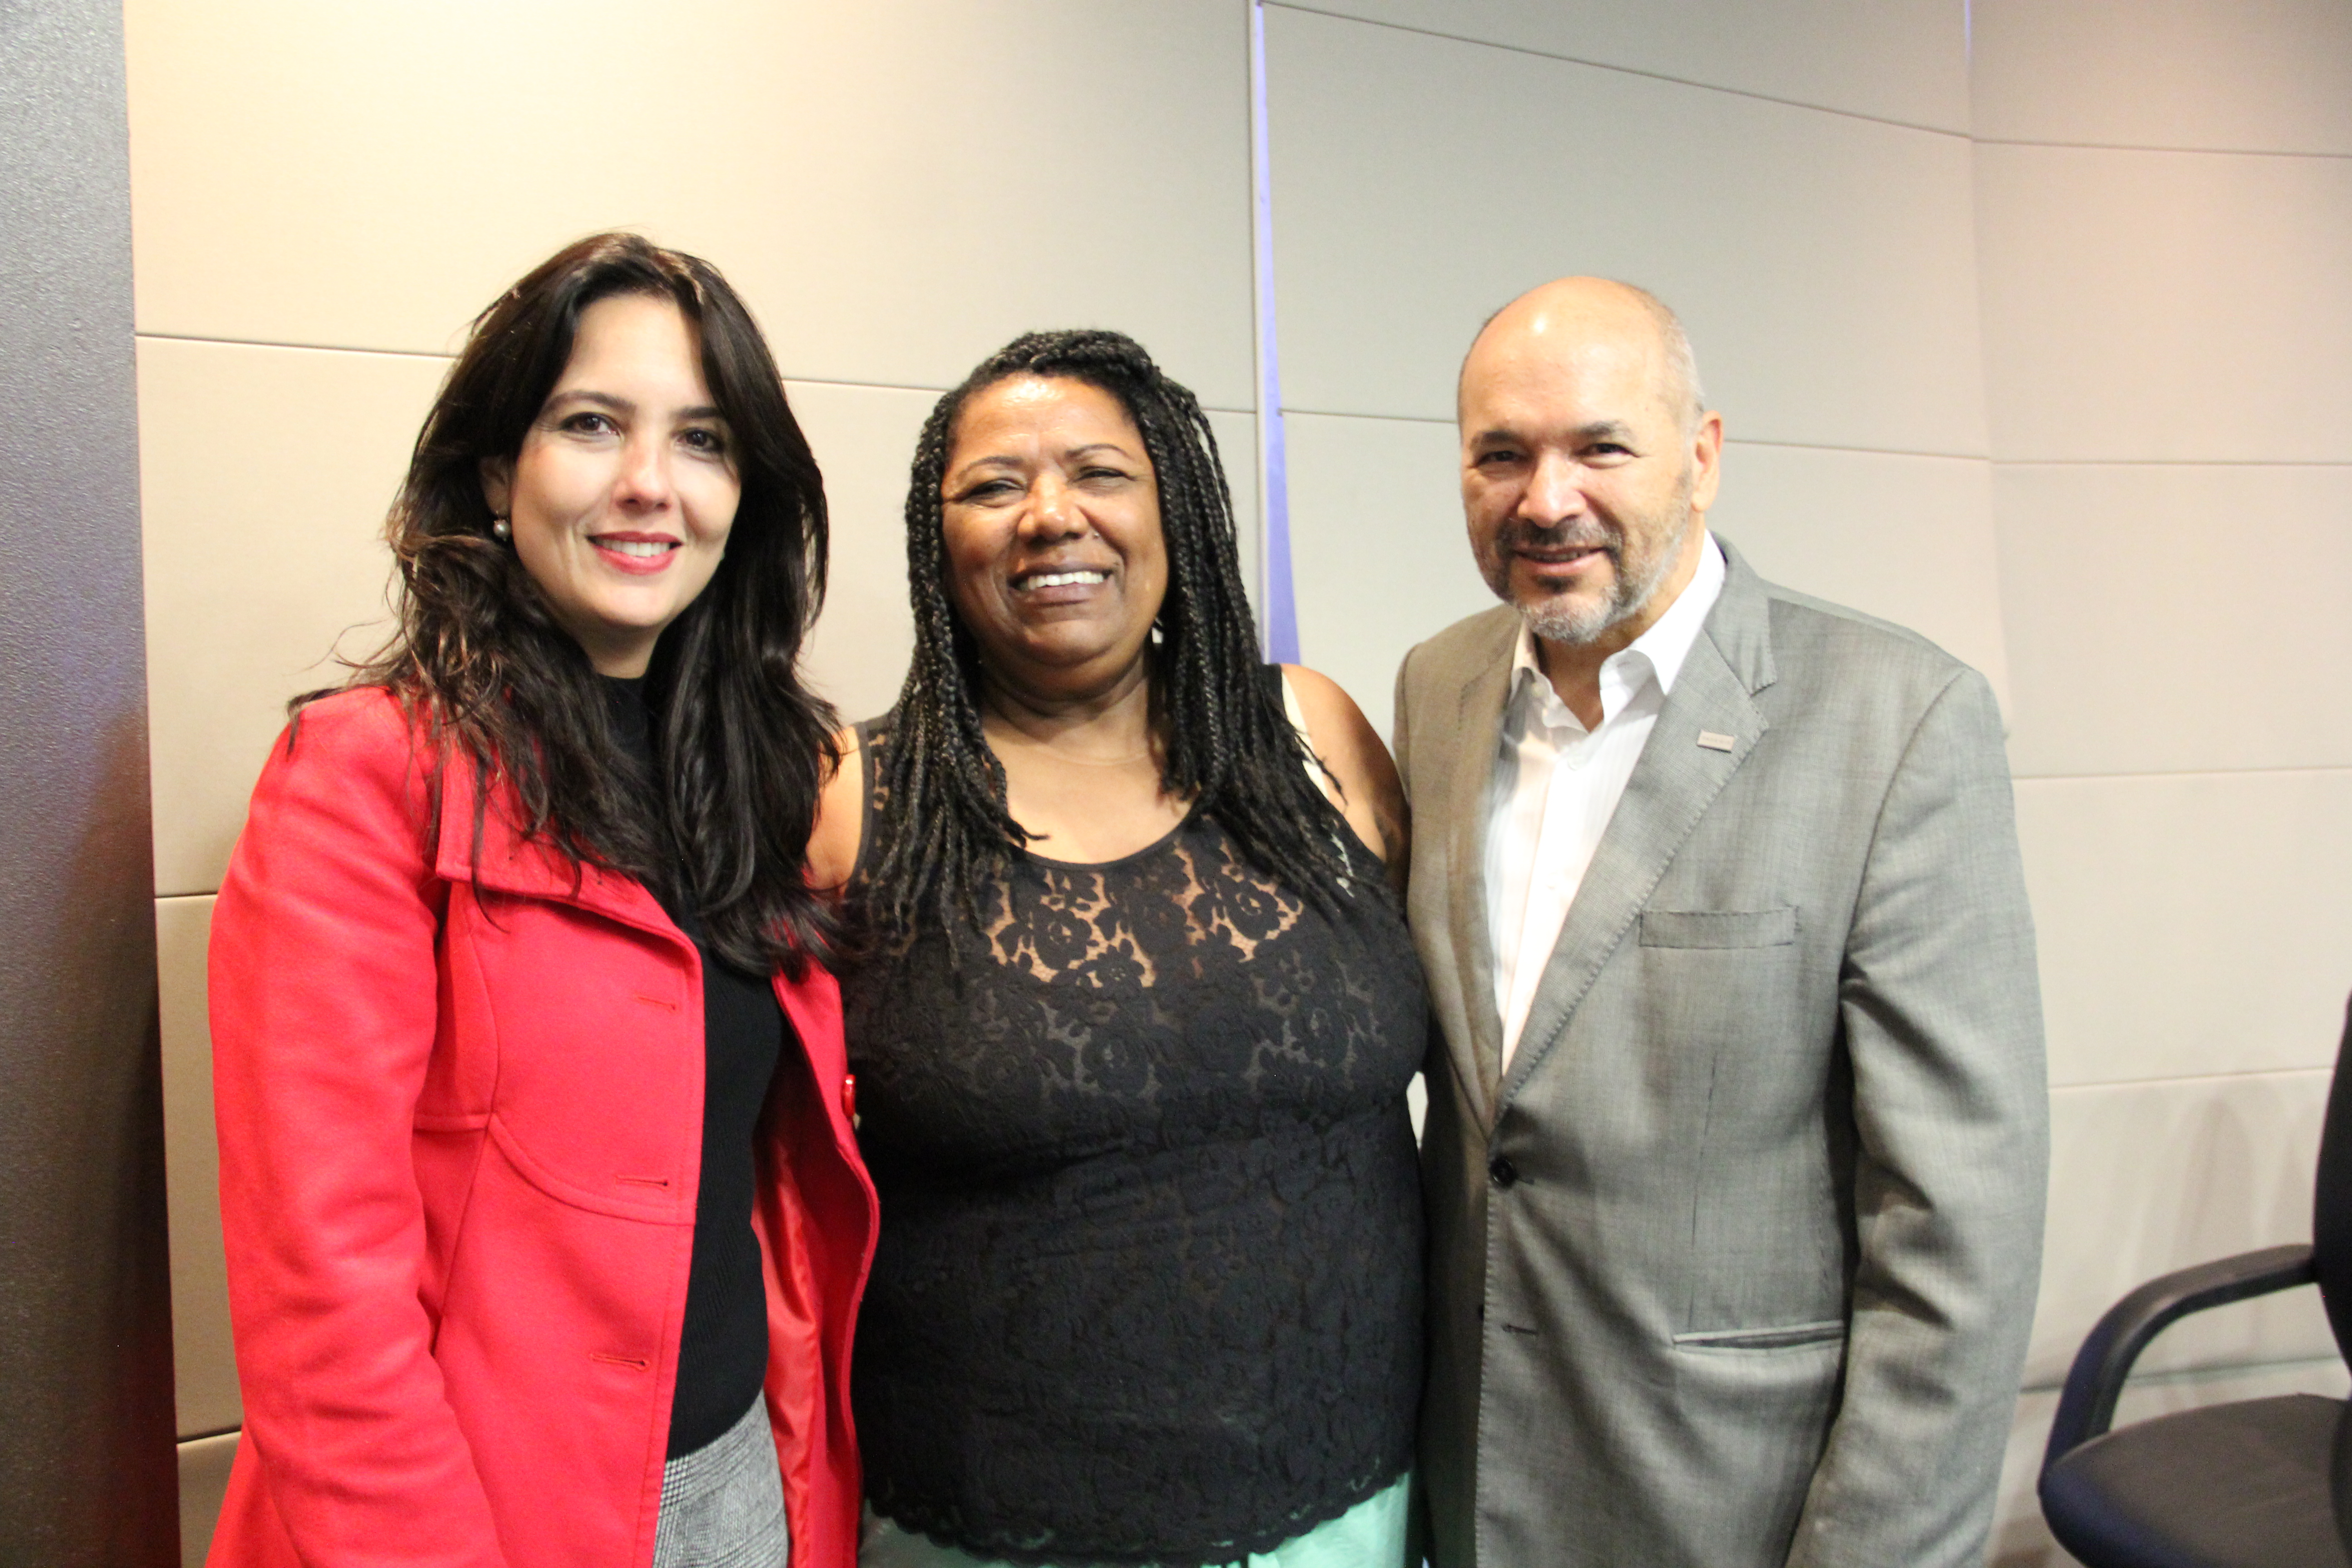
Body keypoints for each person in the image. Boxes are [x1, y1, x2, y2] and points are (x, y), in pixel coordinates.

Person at [206, 233, 875, 1568]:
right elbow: (322, 1301)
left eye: (702, 439)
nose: (649, 483)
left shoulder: (764, 780)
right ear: (498, 470)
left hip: (742, 1484)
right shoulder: (364, 776)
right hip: (485, 1515)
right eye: (591, 424)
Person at [1394, 277, 2048, 1568]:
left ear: (1702, 457)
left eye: (1601, 448)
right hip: (1475, 1486)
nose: (1546, 499)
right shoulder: (1438, 688)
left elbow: (1959, 1231)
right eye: (1501, 455)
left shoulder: (1898, 718)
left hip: (1739, 1503)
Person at [804, 329, 1424, 1568]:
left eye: (1100, 472)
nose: (1050, 516)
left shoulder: (1313, 735)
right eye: (994, 486)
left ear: (1174, 512)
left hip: (1351, 1500)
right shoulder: (846, 800)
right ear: (938, 541)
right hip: (995, 1521)